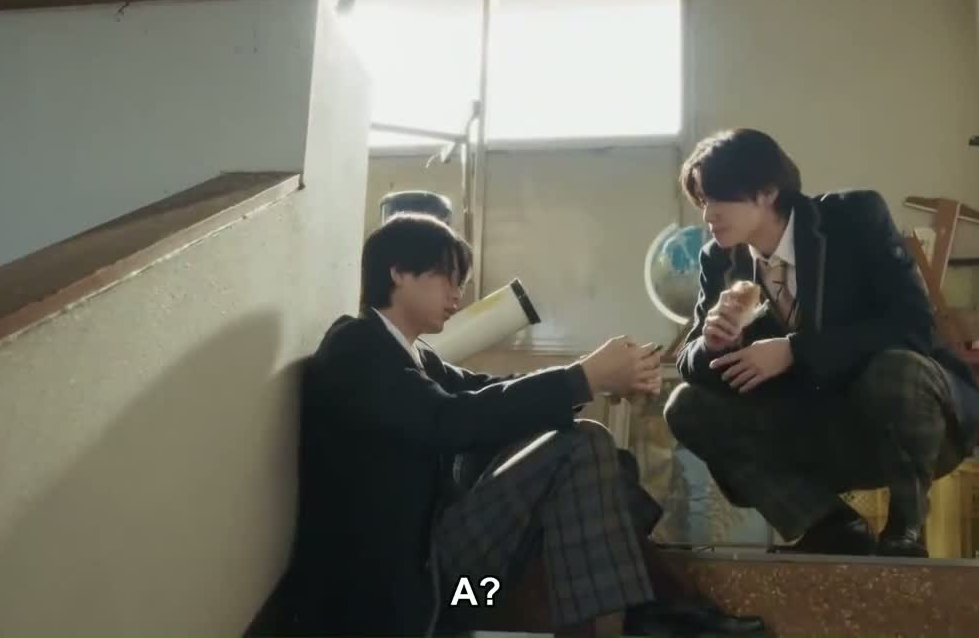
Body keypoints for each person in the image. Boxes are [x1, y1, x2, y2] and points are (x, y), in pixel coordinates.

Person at [279, 213, 765, 637]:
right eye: (448, 277)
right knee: (583, 447)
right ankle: (657, 609)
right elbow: (450, 420)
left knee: (597, 461)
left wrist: (593, 380)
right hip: (418, 584)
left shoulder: (415, 355)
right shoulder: (357, 348)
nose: (457, 294)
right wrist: (584, 377)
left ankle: (651, 608)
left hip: (465, 583)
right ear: (399, 272)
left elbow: (489, 392)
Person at [663, 128, 979, 558]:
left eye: (720, 198)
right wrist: (713, 341)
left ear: (767, 191)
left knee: (897, 370)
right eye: (703, 201)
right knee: (685, 404)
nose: (708, 215)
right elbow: (689, 362)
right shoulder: (719, 259)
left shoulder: (853, 217)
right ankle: (830, 525)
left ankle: (905, 529)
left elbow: (912, 324)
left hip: (896, 418)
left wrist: (795, 350)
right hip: (808, 429)